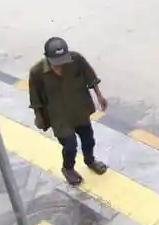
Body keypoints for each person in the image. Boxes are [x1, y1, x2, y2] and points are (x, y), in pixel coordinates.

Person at [29, 37, 109, 186]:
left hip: (78, 109)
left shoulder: (76, 60)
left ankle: (90, 161)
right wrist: (39, 116)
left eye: (62, 61)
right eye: (56, 63)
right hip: (58, 115)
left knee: (88, 139)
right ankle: (68, 168)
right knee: (70, 145)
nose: (60, 66)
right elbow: (35, 97)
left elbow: (90, 77)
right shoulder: (37, 72)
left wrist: (99, 96)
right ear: (47, 57)